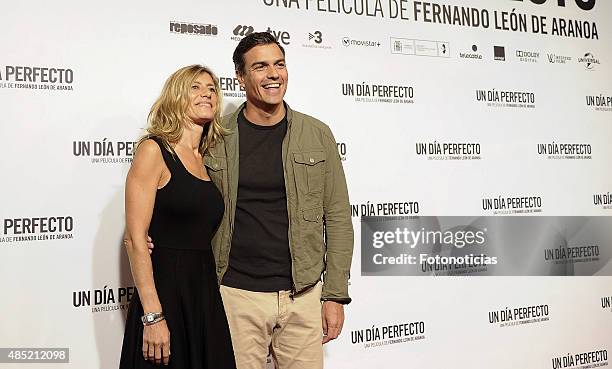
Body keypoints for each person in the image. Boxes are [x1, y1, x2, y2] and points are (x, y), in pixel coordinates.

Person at [204, 32, 354, 369]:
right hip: (236, 295)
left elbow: (339, 217)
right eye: (260, 67)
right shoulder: (216, 136)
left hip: (302, 295)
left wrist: (334, 294)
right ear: (240, 78)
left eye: (279, 64)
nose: (274, 74)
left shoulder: (316, 134)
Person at [119, 65, 236, 369]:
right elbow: (134, 238)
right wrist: (153, 315)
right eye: (195, 88)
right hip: (165, 292)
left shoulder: (207, 158)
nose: (206, 94)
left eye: (211, 88)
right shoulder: (154, 150)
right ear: (176, 96)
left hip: (203, 294)